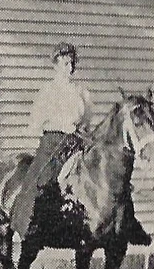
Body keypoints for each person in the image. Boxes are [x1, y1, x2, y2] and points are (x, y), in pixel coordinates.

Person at [10, 42, 96, 237]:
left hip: (76, 142)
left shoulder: (82, 92)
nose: (70, 67)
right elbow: (37, 122)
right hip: (53, 142)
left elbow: (87, 120)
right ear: (56, 65)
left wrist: (82, 130)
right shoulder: (47, 91)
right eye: (65, 63)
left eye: (72, 63)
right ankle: (30, 222)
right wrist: (61, 126)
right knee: (41, 179)